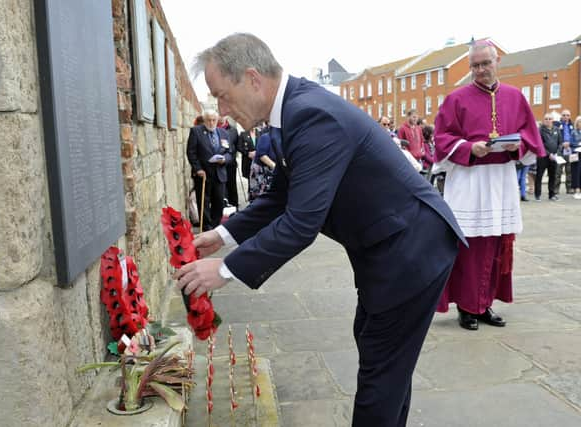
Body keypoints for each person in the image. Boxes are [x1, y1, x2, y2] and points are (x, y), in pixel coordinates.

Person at [174, 33, 466, 427]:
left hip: (411, 247)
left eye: (222, 95)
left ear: (252, 79)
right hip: (387, 245)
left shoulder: (310, 115)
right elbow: (281, 194)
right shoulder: (289, 113)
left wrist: (225, 271)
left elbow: (300, 223)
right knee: (381, 357)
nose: (222, 111)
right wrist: (222, 236)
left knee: (381, 368)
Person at [433, 39, 545, 331]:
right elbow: (442, 138)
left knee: (497, 244)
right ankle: (467, 307)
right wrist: (469, 148)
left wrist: (513, 147)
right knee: (469, 246)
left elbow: (531, 136)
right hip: (469, 180)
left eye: (485, 63)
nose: (480, 70)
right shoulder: (456, 98)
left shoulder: (515, 97)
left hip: (501, 180)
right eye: (475, 65)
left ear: (497, 62)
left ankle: (485, 304)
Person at [186, 109, 233, 231]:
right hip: (203, 174)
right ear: (204, 120)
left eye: (214, 120)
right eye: (209, 120)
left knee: (219, 201)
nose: (211, 123)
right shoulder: (196, 131)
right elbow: (191, 153)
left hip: (219, 173)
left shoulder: (223, 133)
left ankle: (216, 226)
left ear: (217, 120)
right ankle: (206, 228)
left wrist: (224, 159)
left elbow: (230, 153)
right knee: (204, 202)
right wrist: (198, 169)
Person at [536, 113, 562, 201]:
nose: (548, 120)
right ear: (543, 120)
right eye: (546, 119)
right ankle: (538, 195)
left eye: (549, 119)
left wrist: (556, 153)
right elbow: (540, 144)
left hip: (554, 157)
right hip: (543, 157)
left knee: (552, 176)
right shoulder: (540, 130)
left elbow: (560, 143)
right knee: (539, 176)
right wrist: (549, 154)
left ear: (553, 120)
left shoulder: (557, 129)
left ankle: (551, 195)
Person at [218, 115, 240, 210]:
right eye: (219, 115)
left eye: (223, 116)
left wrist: (233, 157)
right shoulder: (214, 129)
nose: (221, 118)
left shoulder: (233, 130)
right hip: (218, 163)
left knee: (232, 185)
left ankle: (234, 206)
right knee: (221, 185)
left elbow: (237, 145)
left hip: (230, 162)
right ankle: (222, 206)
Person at [248, 131, 276, 200]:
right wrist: (275, 166)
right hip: (262, 172)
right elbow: (262, 155)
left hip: (272, 171)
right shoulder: (266, 137)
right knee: (260, 197)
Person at [556, 110, 574, 194]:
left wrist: (570, 143)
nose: (566, 117)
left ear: (570, 116)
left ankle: (569, 188)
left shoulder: (573, 125)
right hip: (560, 150)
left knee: (569, 171)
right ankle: (556, 189)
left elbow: (575, 136)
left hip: (570, 150)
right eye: (564, 115)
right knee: (558, 171)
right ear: (561, 116)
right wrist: (562, 143)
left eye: (567, 115)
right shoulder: (557, 125)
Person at [571, 116, 581, 199]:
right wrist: (578, 145)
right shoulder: (573, 132)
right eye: (579, 122)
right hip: (576, 155)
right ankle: (576, 190)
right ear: (577, 123)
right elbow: (571, 143)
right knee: (576, 172)